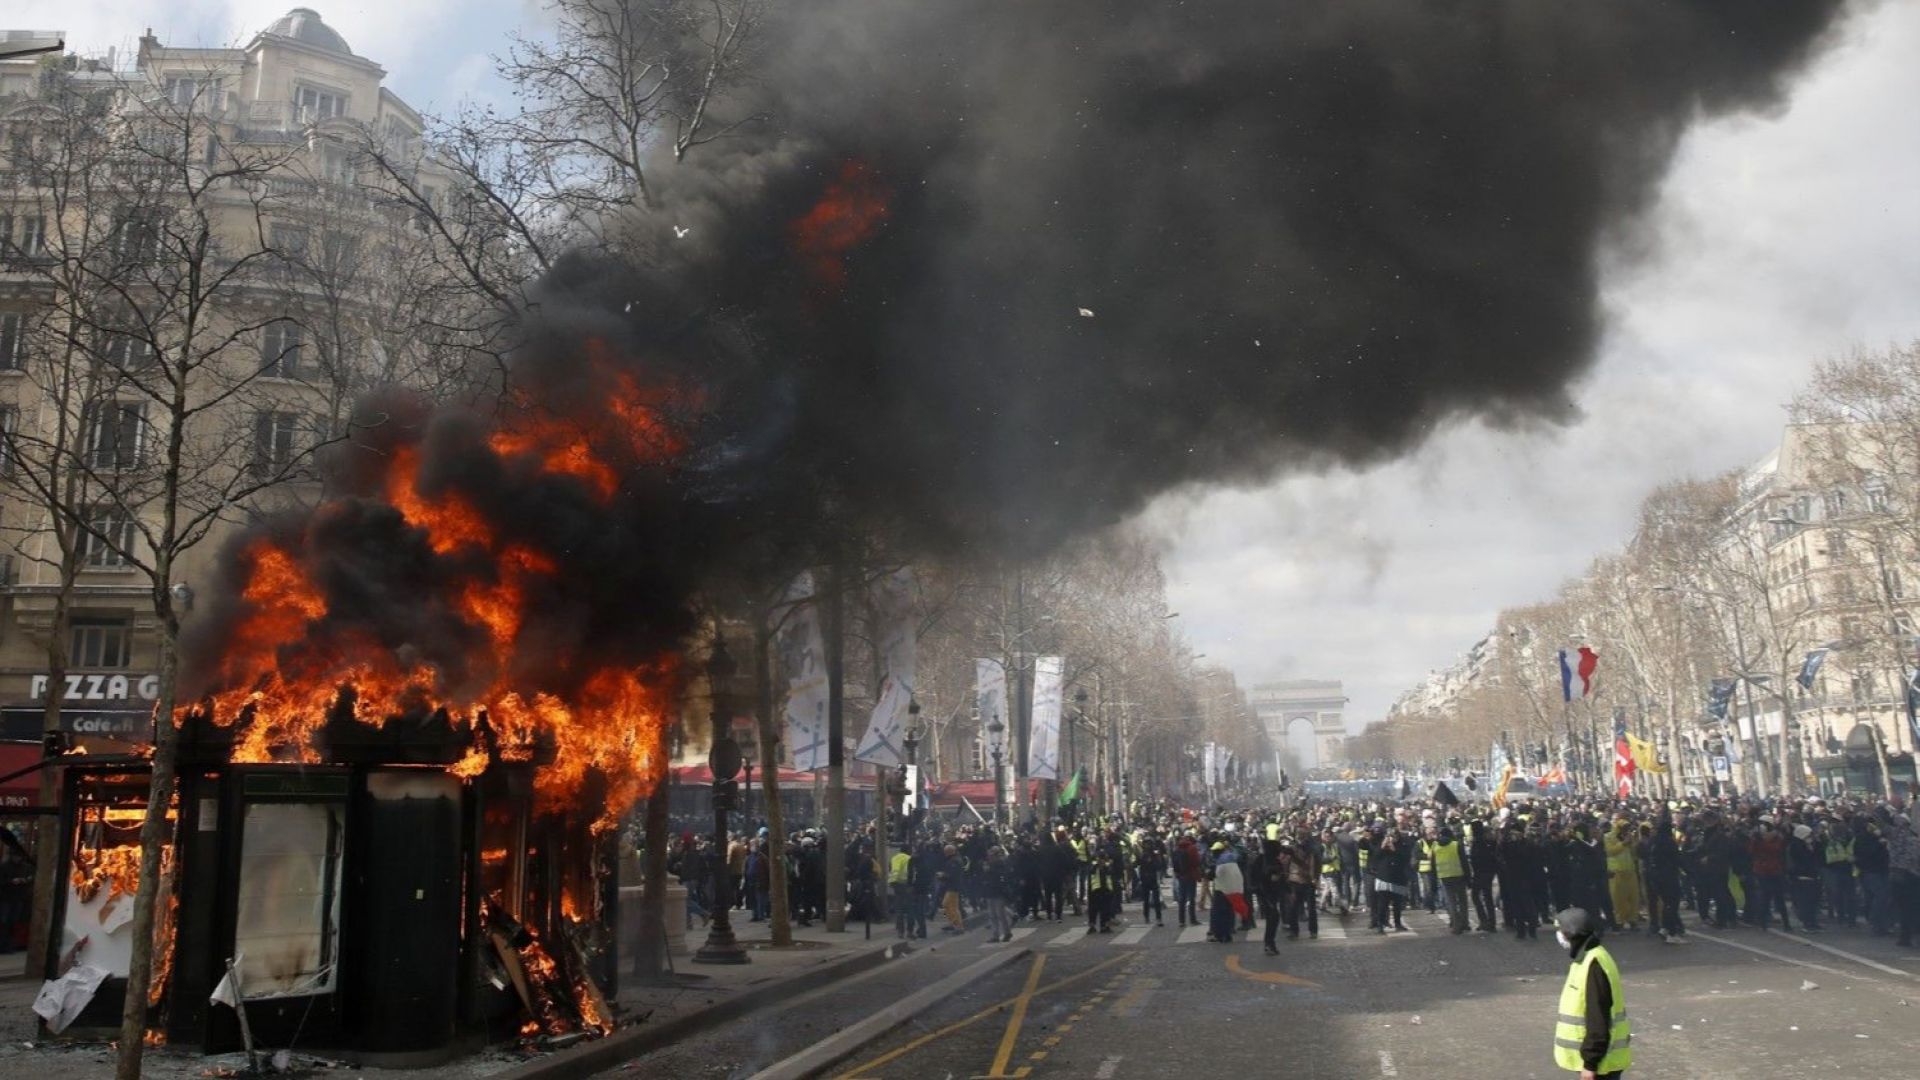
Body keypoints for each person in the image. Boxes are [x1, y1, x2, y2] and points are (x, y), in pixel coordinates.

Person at [1551, 907, 1632, 1079]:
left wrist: (1590, 1063)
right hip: (1600, 1062)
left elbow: (1598, 1018)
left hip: (1600, 1065)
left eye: (1561, 931)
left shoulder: (1593, 964)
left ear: (1572, 934)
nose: (1559, 935)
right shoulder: (1589, 958)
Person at [1207, 841, 1245, 943]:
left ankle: (1219, 935)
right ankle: (1228, 933)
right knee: (1229, 911)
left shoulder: (1220, 861)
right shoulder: (1233, 857)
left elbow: (1215, 875)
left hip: (1221, 889)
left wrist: (1209, 872)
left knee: (1218, 912)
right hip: (1233, 889)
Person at [1172, 832, 1203, 927]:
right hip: (1191, 875)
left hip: (1181, 876)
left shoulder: (1177, 848)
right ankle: (1192, 919)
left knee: (1182, 899)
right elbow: (1197, 861)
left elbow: (1174, 863)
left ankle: (1181, 920)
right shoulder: (1192, 848)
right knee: (1191, 898)